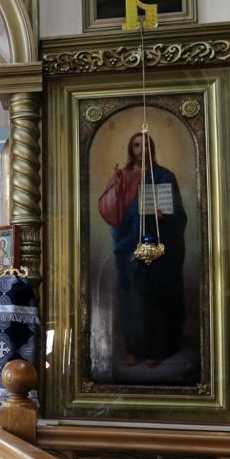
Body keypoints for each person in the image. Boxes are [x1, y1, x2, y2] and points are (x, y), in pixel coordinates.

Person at [97, 131, 187, 368]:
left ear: (152, 148)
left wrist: (165, 217)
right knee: (130, 298)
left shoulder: (164, 176)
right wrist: (117, 190)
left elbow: (179, 215)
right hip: (128, 247)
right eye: (137, 145)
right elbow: (112, 213)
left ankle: (155, 350)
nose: (142, 150)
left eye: (146, 145)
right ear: (131, 149)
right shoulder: (124, 176)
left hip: (157, 246)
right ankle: (132, 350)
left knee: (155, 298)